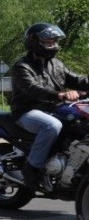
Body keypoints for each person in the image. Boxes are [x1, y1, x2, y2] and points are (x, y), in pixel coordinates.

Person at [11, 23, 89, 191]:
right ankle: (31, 169)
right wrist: (59, 95)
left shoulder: (57, 64)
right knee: (52, 125)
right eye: (47, 41)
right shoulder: (21, 66)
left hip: (54, 109)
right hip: (28, 111)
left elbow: (77, 80)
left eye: (54, 41)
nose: (52, 44)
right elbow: (32, 89)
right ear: (34, 42)